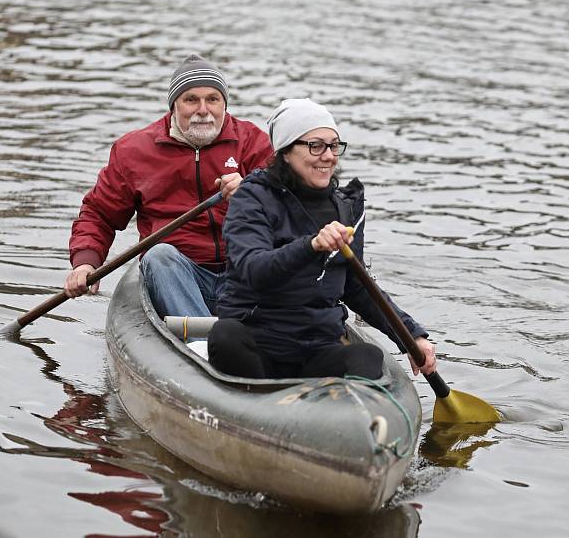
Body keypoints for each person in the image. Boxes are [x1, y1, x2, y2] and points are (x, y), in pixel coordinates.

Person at [208, 98, 437, 380]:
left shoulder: (346, 207)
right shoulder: (252, 198)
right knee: (225, 335)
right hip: (257, 341)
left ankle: (341, 413)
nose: (328, 155)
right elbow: (253, 270)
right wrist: (311, 245)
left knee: (368, 356)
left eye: (334, 145)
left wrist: (411, 335)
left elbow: (358, 286)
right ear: (286, 151)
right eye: (315, 146)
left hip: (316, 347)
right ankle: (255, 399)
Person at [65, 54, 274, 319]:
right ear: (173, 105)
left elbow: (286, 206)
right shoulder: (133, 151)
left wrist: (249, 194)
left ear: (224, 104)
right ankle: (201, 345)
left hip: (243, 270)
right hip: (178, 272)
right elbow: (99, 214)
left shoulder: (253, 142)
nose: (203, 110)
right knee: (159, 255)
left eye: (213, 99)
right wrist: (85, 262)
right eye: (191, 100)